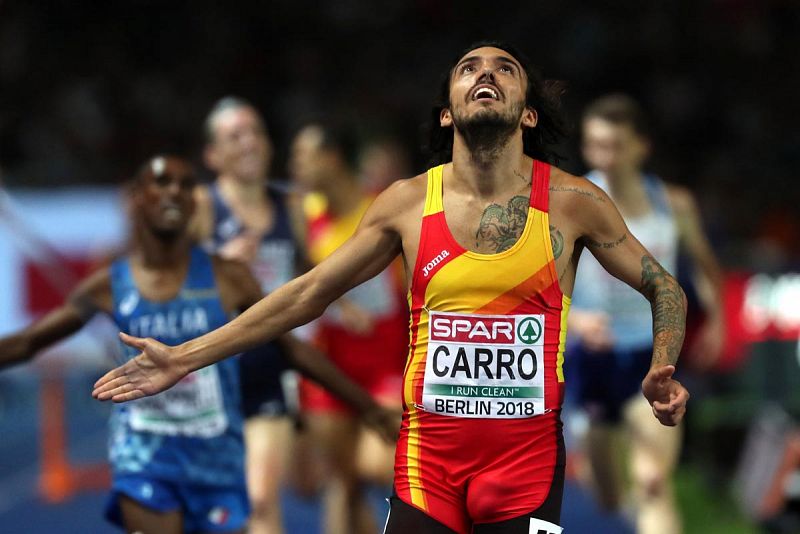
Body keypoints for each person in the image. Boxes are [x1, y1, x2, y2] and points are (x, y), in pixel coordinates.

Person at [94, 41, 690, 534]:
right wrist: (184, 357)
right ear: (447, 113)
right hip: (426, 465)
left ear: (527, 112)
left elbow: (664, 286)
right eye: (468, 69)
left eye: (504, 69)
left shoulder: (573, 202)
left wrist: (663, 363)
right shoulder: (406, 204)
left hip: (524, 467)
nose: (485, 74)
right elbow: (308, 293)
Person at [0, 155, 395, 534]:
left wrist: (371, 410)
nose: (173, 191)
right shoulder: (111, 283)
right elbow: (30, 342)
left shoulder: (229, 278)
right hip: (145, 459)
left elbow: (292, 349)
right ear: (137, 200)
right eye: (160, 182)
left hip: (217, 459)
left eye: (185, 184)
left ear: (196, 203)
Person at [566, 94, 724, 534]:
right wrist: (576, 322)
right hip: (592, 364)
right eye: (596, 146)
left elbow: (707, 268)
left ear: (641, 147)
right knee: (610, 497)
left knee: (653, 481)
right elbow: (539, 282)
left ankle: (649, 498)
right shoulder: (572, 203)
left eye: (615, 146)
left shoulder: (673, 204)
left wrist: (719, 320)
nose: (606, 158)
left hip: (653, 359)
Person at [192, 96, 305, 534]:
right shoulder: (201, 205)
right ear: (212, 154)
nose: (248, 143)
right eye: (234, 136)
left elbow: (311, 278)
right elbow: (167, 287)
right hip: (209, 378)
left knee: (259, 500)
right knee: (215, 512)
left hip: (269, 368)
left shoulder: (290, 206)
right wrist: (219, 264)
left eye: (255, 131)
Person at [288, 121, 407, 534]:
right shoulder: (304, 215)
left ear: (332, 157)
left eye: (304, 156)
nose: (295, 166)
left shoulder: (383, 208)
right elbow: (300, 281)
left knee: (377, 465)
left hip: (385, 360)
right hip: (329, 366)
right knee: (342, 483)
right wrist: (340, 302)